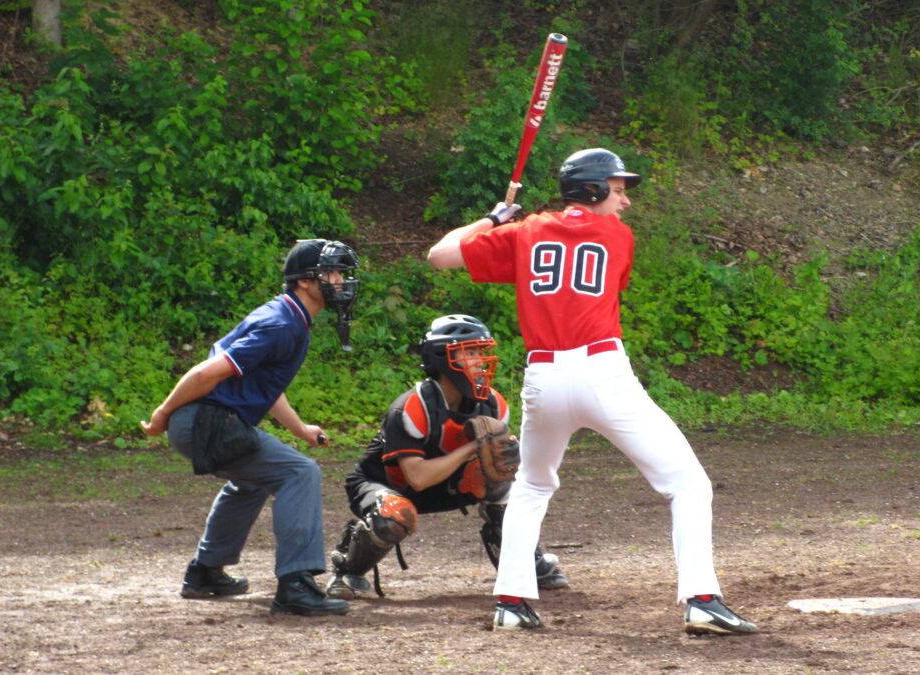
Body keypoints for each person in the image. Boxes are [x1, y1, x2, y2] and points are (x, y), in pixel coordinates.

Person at [426, 148, 758, 635]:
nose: (624, 202)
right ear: (593, 189)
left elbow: (439, 256)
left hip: (543, 379)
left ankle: (511, 603)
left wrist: (494, 220)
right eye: (617, 190)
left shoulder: (525, 232)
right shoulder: (617, 237)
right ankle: (702, 599)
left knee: (533, 486)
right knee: (688, 484)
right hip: (601, 372)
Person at [140, 238, 361, 617]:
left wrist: (299, 428)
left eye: (341, 272)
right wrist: (163, 414)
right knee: (299, 473)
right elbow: (207, 373)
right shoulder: (280, 324)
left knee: (253, 478)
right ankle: (295, 585)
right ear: (306, 282)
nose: (340, 280)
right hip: (205, 422)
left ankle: (205, 572)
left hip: (209, 421)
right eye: (332, 272)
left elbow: (264, 385)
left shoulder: (289, 318)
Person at [325, 314, 569, 600]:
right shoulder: (412, 407)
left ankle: (524, 561)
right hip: (388, 484)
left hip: (448, 484)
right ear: (441, 358)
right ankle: (349, 570)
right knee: (393, 513)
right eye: (470, 352)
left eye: (482, 351)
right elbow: (416, 479)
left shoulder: (493, 404)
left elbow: (505, 466)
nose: (480, 360)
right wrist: (470, 448)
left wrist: (509, 457)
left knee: (508, 488)